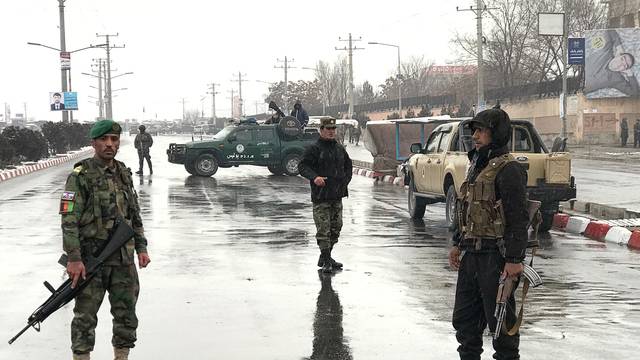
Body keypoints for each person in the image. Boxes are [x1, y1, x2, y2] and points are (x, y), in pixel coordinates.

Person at [60, 119, 151, 360]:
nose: (109, 144)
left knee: (126, 315)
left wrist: (141, 247)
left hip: (123, 260)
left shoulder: (123, 172)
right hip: (92, 261)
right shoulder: (80, 175)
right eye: (104, 140)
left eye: (114, 139)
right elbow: (69, 219)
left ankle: (121, 357)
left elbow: (134, 213)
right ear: (94, 143)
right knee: (85, 317)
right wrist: (74, 258)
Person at [448, 107, 529, 360]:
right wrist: (457, 244)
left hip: (496, 256)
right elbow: (467, 209)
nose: (475, 136)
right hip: (472, 253)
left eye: (481, 131)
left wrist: (514, 260)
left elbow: (518, 218)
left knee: (501, 327)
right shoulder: (477, 164)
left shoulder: (509, 169)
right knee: (465, 323)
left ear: (497, 133)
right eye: (475, 131)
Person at [299, 117, 352, 273]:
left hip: (337, 195)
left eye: (333, 129)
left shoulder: (339, 149)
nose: (331, 132)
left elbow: (348, 166)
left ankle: (325, 256)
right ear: (321, 130)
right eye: (328, 129)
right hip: (321, 196)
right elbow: (302, 166)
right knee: (324, 229)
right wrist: (315, 177)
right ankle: (327, 260)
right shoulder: (314, 149)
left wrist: (344, 182)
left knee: (336, 227)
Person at [584, 30, 639, 97]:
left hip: (577, 89)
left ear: (624, 70)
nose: (620, 64)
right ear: (618, 55)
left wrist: (630, 74)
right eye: (622, 59)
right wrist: (619, 48)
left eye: (625, 65)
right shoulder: (606, 51)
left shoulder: (617, 80)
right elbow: (609, 31)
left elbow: (635, 93)